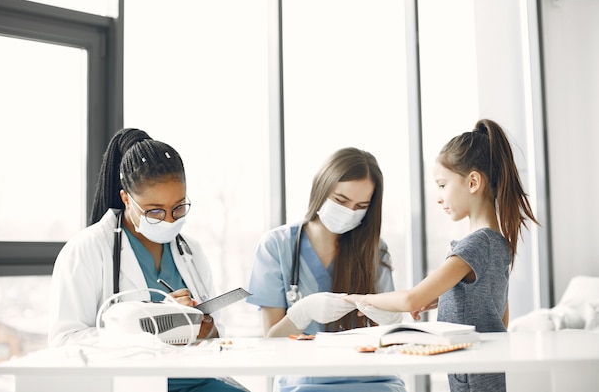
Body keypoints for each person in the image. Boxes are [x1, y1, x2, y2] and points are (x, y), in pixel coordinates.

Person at [346, 119, 540, 392]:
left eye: (441, 185)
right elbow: (498, 315)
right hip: (489, 371)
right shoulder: (498, 244)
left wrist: (361, 298)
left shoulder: (474, 245)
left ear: (473, 182)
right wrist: (444, 299)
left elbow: (412, 298)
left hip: (470, 376)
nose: (438, 198)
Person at [48, 128, 248, 392]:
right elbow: (65, 341)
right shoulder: (87, 249)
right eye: (155, 211)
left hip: (198, 380)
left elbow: (217, 338)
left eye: (178, 208)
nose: (169, 220)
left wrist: (207, 329)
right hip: (129, 385)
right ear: (126, 199)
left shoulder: (191, 251)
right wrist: (155, 320)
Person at [246, 147, 407, 392]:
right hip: (306, 381)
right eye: (341, 201)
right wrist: (302, 312)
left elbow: (388, 337)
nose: (348, 212)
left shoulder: (374, 249)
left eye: (360, 206)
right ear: (321, 187)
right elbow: (272, 342)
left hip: (374, 378)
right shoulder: (277, 245)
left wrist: (391, 320)